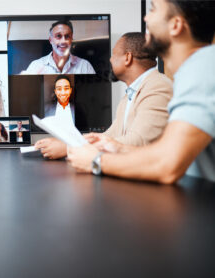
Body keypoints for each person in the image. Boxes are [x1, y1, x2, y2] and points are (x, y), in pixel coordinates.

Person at [68, 0, 215, 183]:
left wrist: (96, 161)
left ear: (175, 25)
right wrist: (119, 148)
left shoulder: (204, 67)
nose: (146, 17)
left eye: (153, 9)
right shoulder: (196, 70)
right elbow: (168, 150)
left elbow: (168, 164)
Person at [36, 32, 173, 159]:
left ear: (127, 58)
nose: (110, 60)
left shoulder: (158, 86)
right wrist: (67, 141)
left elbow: (137, 141)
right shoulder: (130, 95)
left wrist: (68, 148)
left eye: (113, 55)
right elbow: (109, 136)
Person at [23, 20, 96, 74]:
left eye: (67, 36)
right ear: (50, 40)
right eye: (58, 36)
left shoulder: (85, 66)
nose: (63, 41)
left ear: (71, 40)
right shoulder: (36, 66)